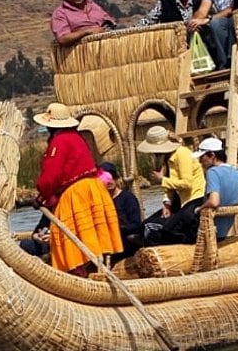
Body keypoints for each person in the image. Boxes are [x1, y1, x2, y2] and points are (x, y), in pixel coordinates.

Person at [33, 102, 122, 275]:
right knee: (91, 239)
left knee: (75, 244)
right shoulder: (76, 137)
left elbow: (51, 176)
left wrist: (42, 195)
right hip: (93, 189)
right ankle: (97, 274)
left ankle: (81, 281)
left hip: (76, 194)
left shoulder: (59, 141)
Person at [137, 125, 206, 245]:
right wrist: (167, 205)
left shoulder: (182, 154)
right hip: (181, 201)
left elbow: (187, 183)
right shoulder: (168, 159)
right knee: (145, 225)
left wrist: (162, 179)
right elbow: (170, 187)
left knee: (165, 228)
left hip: (195, 199)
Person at [194, 137, 238, 241]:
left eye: (202, 157)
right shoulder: (237, 173)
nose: (200, 161)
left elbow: (214, 202)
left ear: (212, 155)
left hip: (211, 229)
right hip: (225, 230)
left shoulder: (212, 172)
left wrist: (199, 209)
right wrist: (234, 204)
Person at [50, 0, 117, 46]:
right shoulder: (60, 13)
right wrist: (87, 31)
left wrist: (105, 28)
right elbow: (62, 38)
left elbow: (109, 22)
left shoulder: (92, 5)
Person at [99, 162, 143, 261]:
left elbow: (136, 225)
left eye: (112, 177)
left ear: (117, 179)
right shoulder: (99, 202)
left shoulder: (128, 198)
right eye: (105, 178)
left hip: (125, 241)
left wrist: (119, 229)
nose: (109, 181)